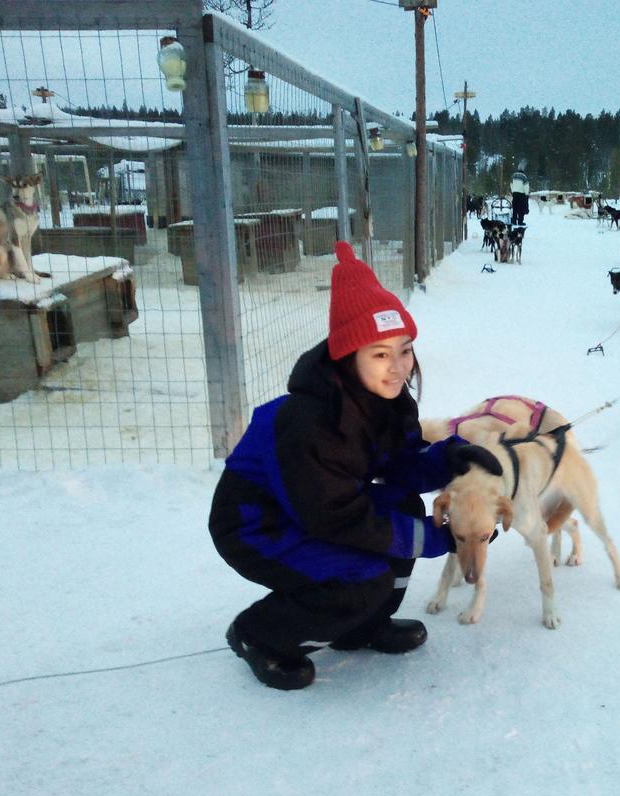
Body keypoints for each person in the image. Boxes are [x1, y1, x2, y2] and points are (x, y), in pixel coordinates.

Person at [211, 241, 499, 690]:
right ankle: (260, 635)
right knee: (359, 578)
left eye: (404, 350)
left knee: (400, 506)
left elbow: (399, 464)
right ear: (349, 357)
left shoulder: (382, 399)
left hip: (315, 508)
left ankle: (360, 627)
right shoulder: (309, 423)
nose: (399, 368)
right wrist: (431, 537)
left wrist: (449, 456)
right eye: (380, 354)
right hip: (256, 526)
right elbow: (334, 517)